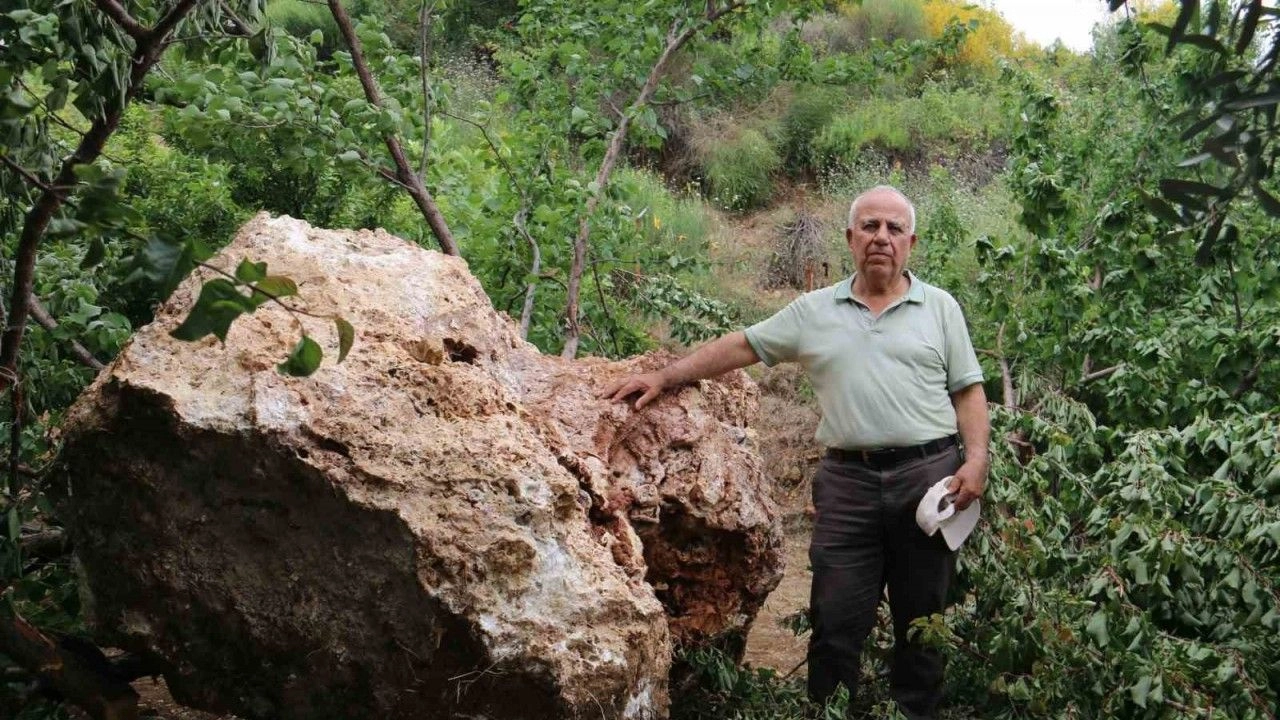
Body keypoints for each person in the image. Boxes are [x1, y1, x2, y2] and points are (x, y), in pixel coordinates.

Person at [600, 185, 989, 719]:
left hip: (928, 479)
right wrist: (665, 376)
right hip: (848, 486)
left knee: (922, 626)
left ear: (911, 242)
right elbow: (742, 346)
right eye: (870, 227)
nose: (881, 238)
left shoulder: (940, 308)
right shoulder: (814, 311)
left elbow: (968, 390)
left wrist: (975, 459)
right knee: (834, 624)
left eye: (894, 229)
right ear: (850, 238)